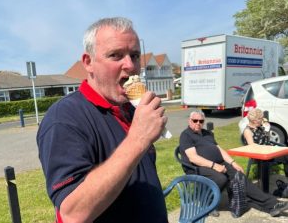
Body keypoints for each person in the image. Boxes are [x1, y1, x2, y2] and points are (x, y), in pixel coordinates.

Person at [37, 17, 168, 223]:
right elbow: (73, 213)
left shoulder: (130, 109)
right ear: (88, 63)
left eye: (134, 56)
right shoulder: (64, 118)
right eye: (116, 55)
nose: (130, 65)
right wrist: (138, 140)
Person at [179, 110, 288, 217]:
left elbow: (219, 149)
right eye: (195, 120)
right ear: (189, 120)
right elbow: (193, 158)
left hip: (218, 163)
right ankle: (208, 202)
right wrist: (214, 166)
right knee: (222, 178)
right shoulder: (186, 135)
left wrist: (233, 162)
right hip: (197, 167)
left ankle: (273, 205)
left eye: (201, 121)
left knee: (239, 177)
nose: (198, 123)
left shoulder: (207, 133)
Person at [243, 108, 288, 177]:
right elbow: (252, 146)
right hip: (259, 154)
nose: (262, 120)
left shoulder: (259, 127)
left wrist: (267, 130)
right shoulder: (248, 131)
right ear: (255, 121)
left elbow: (266, 140)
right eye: (261, 118)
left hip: (267, 150)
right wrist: (268, 148)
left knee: (285, 152)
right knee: (286, 156)